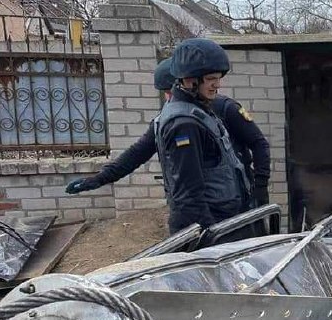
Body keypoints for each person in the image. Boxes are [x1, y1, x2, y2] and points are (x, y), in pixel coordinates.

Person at [66, 58, 271, 211]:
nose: (169, 99)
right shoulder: (168, 119)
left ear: (187, 83)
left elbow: (259, 143)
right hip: (200, 209)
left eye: (170, 91)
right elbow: (138, 153)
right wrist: (99, 178)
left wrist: (260, 187)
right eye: (165, 93)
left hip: (237, 200)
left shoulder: (225, 108)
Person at [153, 38, 253, 234]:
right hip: (213, 226)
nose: (217, 85)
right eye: (211, 79)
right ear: (190, 80)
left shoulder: (197, 110)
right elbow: (190, 196)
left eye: (218, 78)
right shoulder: (184, 124)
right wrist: (213, 237)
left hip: (225, 218)